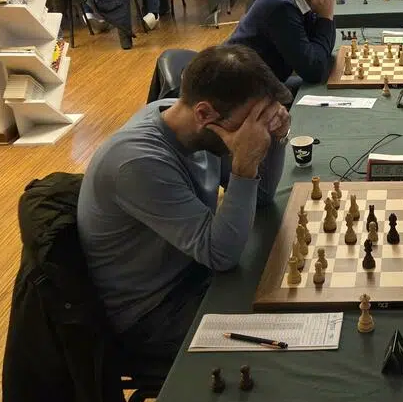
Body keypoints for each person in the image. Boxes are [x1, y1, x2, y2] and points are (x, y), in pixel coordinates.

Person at [78, 45, 292, 374]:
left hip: (195, 271)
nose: (254, 130)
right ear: (204, 114)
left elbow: (261, 195)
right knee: (291, 338)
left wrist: (275, 135)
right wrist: (245, 162)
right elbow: (221, 255)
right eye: (250, 121)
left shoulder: (198, 128)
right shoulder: (137, 162)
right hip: (156, 311)